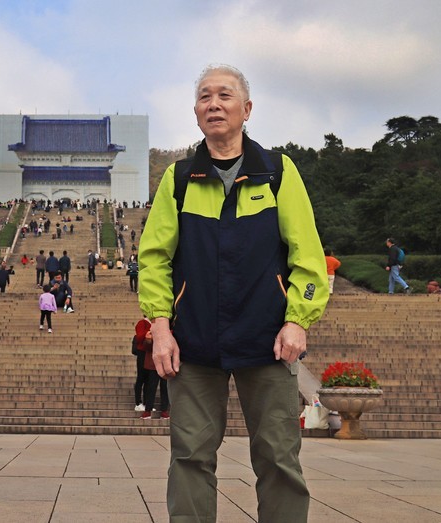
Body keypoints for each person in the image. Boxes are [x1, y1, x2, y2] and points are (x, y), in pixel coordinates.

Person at [138, 64, 329, 522]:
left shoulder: (278, 173)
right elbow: (154, 257)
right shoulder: (179, 178)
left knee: (278, 458)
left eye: (225, 96)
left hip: (267, 340)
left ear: (246, 109)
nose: (213, 104)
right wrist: (160, 326)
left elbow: (308, 254)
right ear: (196, 112)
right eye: (204, 97)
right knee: (189, 456)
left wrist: (298, 319)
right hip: (195, 342)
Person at [134, 318, 169, 420]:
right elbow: (145, 344)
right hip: (154, 361)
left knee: (165, 386)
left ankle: (164, 410)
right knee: (151, 385)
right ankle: (147, 409)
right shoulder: (146, 324)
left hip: (166, 360)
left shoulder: (167, 324)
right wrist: (149, 338)